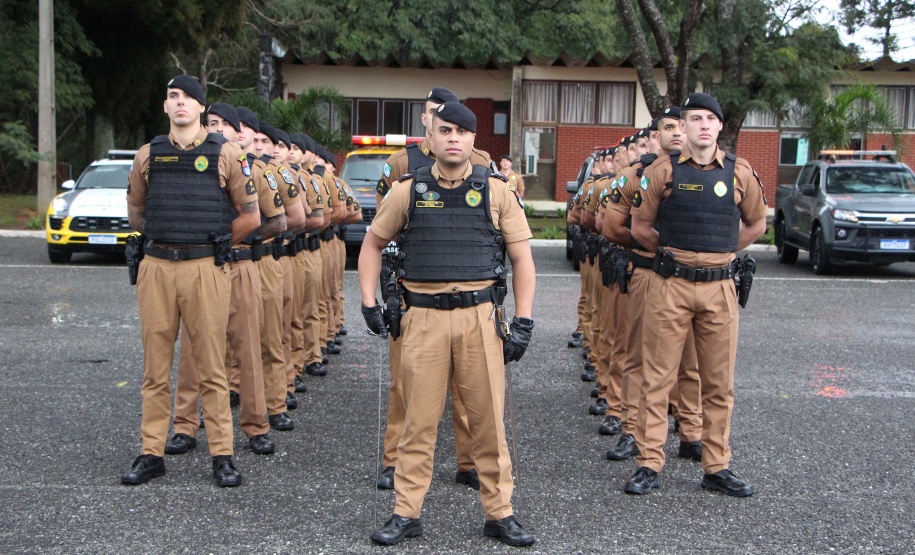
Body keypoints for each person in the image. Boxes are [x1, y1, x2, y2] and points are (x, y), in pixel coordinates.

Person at [359, 102, 536, 547]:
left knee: (489, 422)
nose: (453, 138)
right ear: (430, 139)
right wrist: (368, 303)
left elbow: (522, 260)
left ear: (475, 140)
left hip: (481, 318)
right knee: (417, 422)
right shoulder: (407, 191)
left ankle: (500, 512)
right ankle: (406, 512)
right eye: (445, 130)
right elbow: (372, 244)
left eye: (462, 131)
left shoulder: (496, 191)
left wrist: (525, 320)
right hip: (422, 319)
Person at [627, 93, 767, 496]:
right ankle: (649, 462)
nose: (703, 125)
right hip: (669, 285)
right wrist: (678, 256)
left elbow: (757, 223)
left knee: (718, 383)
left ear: (720, 126)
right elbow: (640, 226)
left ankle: (716, 466)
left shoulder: (740, 173)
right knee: (657, 378)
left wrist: (722, 250)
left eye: (710, 118)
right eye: (695, 119)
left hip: (719, 287)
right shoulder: (661, 172)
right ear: (683, 127)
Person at [122, 76, 260, 487]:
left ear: (202, 107)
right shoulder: (148, 155)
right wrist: (166, 237)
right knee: (155, 367)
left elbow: (250, 216)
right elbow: (136, 211)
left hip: (205, 268)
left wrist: (212, 243)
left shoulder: (228, 154)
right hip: (157, 267)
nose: (179, 103)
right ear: (165, 107)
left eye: (188, 98)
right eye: (172, 96)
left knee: (212, 365)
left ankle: (222, 454)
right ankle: (151, 452)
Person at [374, 87, 486, 492]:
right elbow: (386, 227)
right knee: (407, 385)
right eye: (434, 115)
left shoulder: (480, 162)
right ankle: (394, 460)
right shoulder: (401, 163)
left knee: (467, 387)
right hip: (416, 285)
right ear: (426, 122)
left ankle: (469, 461)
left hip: (465, 285)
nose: (447, 128)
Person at [287, 133, 328, 380]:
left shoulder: (311, 180)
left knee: (309, 306)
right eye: (285, 147)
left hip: (305, 246)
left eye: (294, 148)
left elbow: (326, 217)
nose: (290, 152)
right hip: (277, 254)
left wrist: (291, 229)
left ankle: (310, 356)